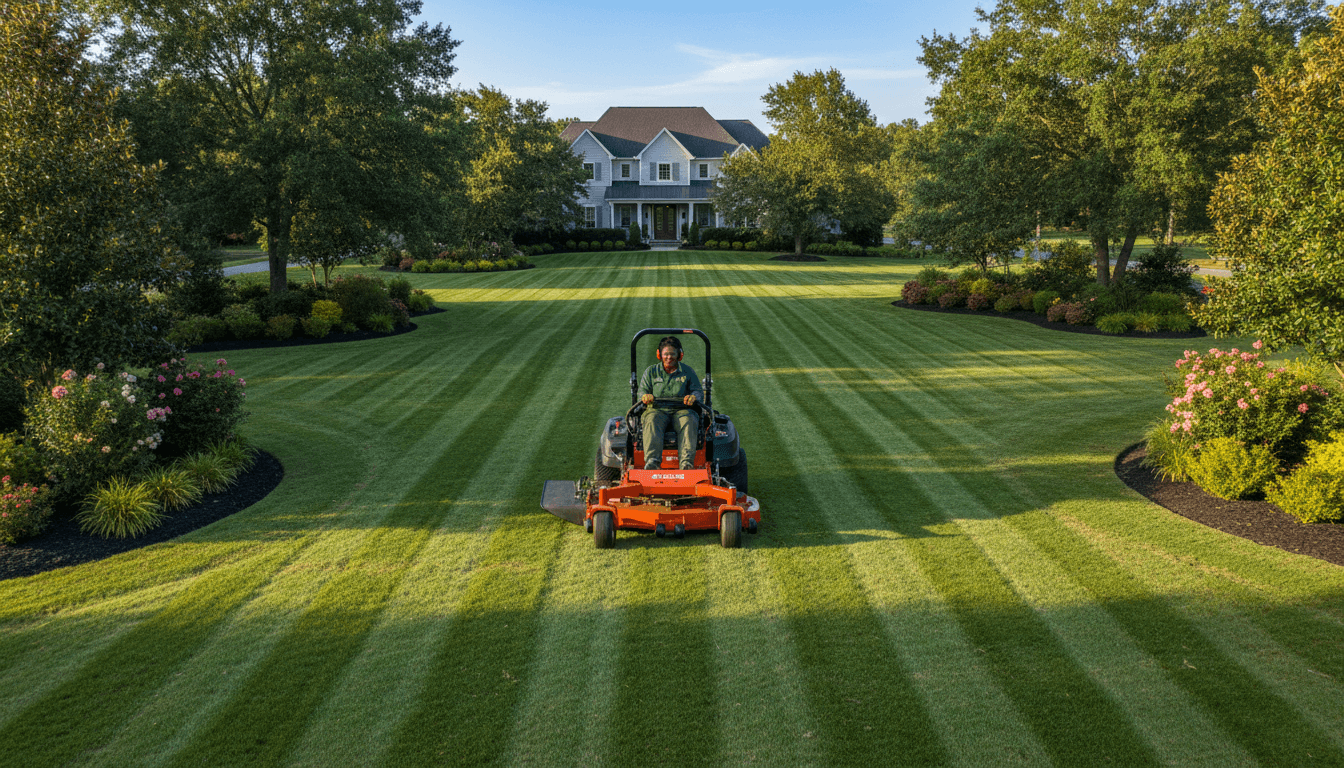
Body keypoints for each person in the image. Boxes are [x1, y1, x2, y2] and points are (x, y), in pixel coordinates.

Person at [637, 336, 704, 469]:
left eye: (672, 354)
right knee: (651, 419)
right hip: (657, 410)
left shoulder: (688, 372)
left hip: (682, 411)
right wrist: (645, 396)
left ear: (679, 355)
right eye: (666, 354)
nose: (669, 357)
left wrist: (693, 397)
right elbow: (641, 392)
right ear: (659, 355)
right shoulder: (651, 372)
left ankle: (686, 464)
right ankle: (652, 463)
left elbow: (698, 391)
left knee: (689, 420)